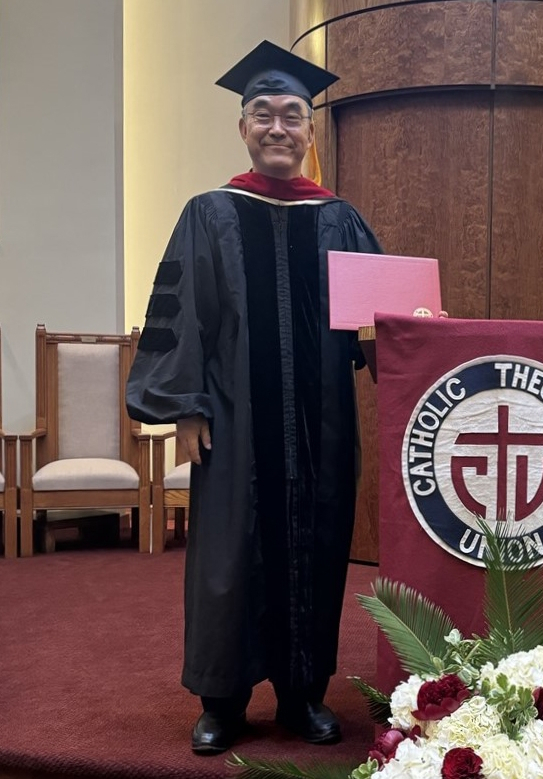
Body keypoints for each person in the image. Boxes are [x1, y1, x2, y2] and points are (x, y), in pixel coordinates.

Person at [126, 40, 382, 756]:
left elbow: (381, 318)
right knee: (228, 553)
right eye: (263, 113)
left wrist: (418, 345)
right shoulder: (208, 213)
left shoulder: (340, 218)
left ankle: (303, 694)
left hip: (321, 422)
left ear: (309, 130)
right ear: (243, 126)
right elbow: (183, 318)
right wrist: (184, 404)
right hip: (233, 420)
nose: (278, 127)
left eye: (292, 115)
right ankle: (223, 698)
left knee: (318, 544)